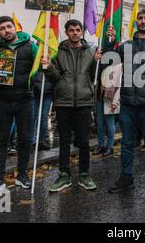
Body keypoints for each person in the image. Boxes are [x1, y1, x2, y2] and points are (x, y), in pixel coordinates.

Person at [107, 9, 145, 198]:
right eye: (140, 18)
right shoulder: (126, 46)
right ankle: (126, 178)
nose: (142, 21)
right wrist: (110, 42)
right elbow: (111, 60)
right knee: (126, 144)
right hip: (129, 104)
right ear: (136, 22)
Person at [42, 19, 101, 192]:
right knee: (65, 141)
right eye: (72, 30)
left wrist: (97, 61)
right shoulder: (57, 51)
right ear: (66, 32)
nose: (75, 33)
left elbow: (93, 75)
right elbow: (55, 77)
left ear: (82, 32)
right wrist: (48, 67)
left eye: (78, 30)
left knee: (83, 141)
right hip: (63, 101)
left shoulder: (91, 51)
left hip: (84, 101)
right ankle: (64, 175)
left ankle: (84, 174)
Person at [0, 16, 38, 194]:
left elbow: (42, 71)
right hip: (2, 101)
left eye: (9, 26)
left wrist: (46, 65)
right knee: (0, 141)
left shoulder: (31, 46)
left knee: (24, 140)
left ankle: (22, 175)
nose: (7, 30)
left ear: (15, 28)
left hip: (25, 101)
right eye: (2, 28)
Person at [32, 71, 53, 151]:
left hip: (48, 91)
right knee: (34, 115)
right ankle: (32, 139)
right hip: (36, 90)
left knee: (43, 116)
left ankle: (41, 140)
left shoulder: (53, 59)